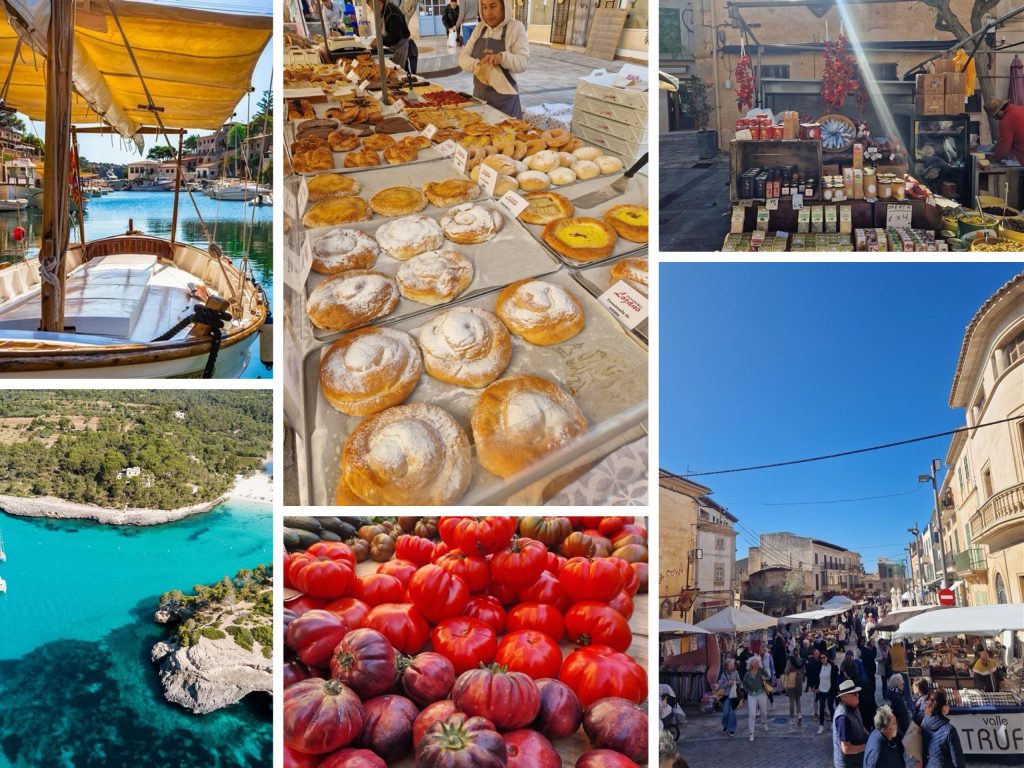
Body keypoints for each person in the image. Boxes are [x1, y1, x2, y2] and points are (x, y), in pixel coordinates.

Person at [457, 0, 528, 117]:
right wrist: (478, 65)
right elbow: (463, 57)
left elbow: (523, 62)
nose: (488, 12)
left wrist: (502, 58)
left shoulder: (515, 28)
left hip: (506, 105)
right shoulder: (480, 28)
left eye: (493, 6)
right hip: (479, 101)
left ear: (504, 6)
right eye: (484, 7)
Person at [920, 689, 966, 768]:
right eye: (947, 704)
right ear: (943, 707)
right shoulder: (949, 730)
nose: (949, 706)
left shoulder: (924, 722)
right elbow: (957, 760)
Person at [372, 0, 418, 74]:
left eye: (372, 6)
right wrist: (378, 39)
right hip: (396, 48)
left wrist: (380, 42)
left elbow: (395, 36)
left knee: (406, 76)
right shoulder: (384, 12)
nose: (372, 9)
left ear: (379, 2)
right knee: (397, 74)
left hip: (405, 49)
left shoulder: (391, 12)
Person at [833, 679, 869, 768]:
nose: (857, 695)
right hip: (848, 764)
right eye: (854, 694)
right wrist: (867, 746)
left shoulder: (853, 706)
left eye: (857, 692)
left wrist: (870, 737)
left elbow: (860, 726)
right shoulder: (843, 718)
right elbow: (846, 749)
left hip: (857, 761)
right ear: (844, 697)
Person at [984, 98, 1024, 164]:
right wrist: (995, 149)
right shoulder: (1019, 108)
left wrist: (994, 159)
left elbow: (1004, 145)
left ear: (999, 113)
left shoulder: (1005, 121)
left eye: (995, 117)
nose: (996, 119)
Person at [742, 655, 771, 742]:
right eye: (755, 662)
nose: (757, 664)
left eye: (758, 662)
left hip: (762, 693)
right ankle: (751, 733)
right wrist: (748, 691)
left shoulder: (761, 671)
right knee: (752, 713)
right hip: (752, 695)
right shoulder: (747, 674)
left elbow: (769, 677)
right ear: (751, 664)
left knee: (763, 711)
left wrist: (764, 678)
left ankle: (764, 722)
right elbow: (744, 685)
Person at [716, 658, 740, 736]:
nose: (732, 666)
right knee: (726, 713)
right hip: (726, 696)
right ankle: (725, 725)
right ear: (727, 666)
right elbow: (720, 685)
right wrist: (727, 684)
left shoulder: (736, 672)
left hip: (734, 696)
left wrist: (734, 682)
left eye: (733, 664)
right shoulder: (723, 674)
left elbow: (739, 682)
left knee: (732, 713)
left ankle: (732, 729)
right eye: (731, 665)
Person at [782, 649, 806, 730]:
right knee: (798, 699)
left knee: (791, 700)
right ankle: (799, 715)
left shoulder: (790, 660)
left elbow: (786, 671)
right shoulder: (802, 660)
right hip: (799, 682)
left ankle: (792, 719)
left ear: (793, 653)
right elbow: (804, 672)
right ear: (798, 652)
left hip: (791, 682)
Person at [817, 651, 838, 735]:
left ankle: (833, 723)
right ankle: (821, 725)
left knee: (830, 706)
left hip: (830, 690)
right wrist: (816, 686)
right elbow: (816, 677)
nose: (823, 659)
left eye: (824, 657)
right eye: (821, 658)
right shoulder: (819, 667)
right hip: (821, 690)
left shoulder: (832, 667)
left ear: (827, 657)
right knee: (821, 708)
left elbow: (835, 679)